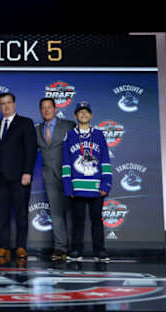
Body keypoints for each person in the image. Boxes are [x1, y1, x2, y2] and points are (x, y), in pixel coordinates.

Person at [62, 101, 112, 262]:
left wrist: (106, 183)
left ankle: (100, 251)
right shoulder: (69, 136)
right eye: (80, 112)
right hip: (77, 186)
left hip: (96, 186)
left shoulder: (98, 135)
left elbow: (105, 160)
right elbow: (66, 162)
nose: (83, 114)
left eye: (86, 112)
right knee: (78, 220)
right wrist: (68, 186)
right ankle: (76, 250)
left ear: (91, 115)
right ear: (75, 115)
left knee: (97, 219)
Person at [0, 92, 37, 260]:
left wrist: (27, 171)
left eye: (9, 102)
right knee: (1, 214)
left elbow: (30, 149)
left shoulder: (25, 123)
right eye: (2, 103)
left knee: (21, 213)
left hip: (19, 176)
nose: (6, 106)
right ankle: (3, 246)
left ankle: (20, 246)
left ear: (14, 104)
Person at [36, 97, 76, 261]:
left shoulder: (68, 125)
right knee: (57, 213)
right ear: (40, 110)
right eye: (43, 108)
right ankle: (60, 248)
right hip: (49, 176)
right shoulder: (37, 129)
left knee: (73, 212)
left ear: (55, 108)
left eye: (49, 107)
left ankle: (75, 247)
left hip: (69, 175)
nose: (46, 111)